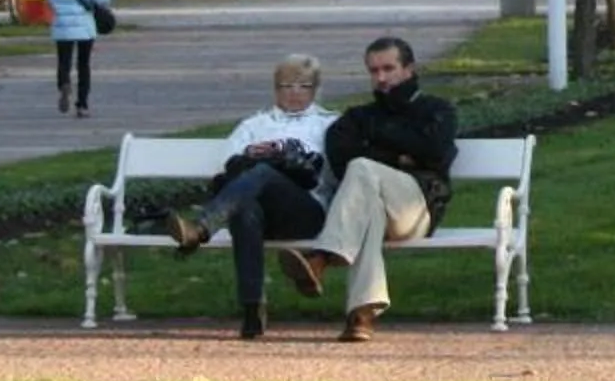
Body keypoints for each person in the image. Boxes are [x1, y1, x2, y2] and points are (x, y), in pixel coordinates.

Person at [288, 35, 457, 342]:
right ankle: (361, 316)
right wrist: (402, 154)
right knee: (368, 205)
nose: (381, 77)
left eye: (388, 68)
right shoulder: (357, 116)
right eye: (374, 71)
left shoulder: (437, 109)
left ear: (409, 69)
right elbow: (340, 157)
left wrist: (374, 144)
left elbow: (434, 151)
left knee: (363, 168)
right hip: (369, 204)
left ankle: (322, 258)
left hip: (416, 209)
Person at [163, 55, 337, 340]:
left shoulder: (327, 124)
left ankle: (201, 228)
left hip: (304, 209)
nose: (294, 92)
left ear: (315, 89)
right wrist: (252, 157)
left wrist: (289, 160)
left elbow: (330, 174)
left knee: (265, 172)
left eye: (303, 85)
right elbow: (225, 168)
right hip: (258, 209)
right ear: (275, 89)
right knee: (245, 209)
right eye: (286, 85)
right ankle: (252, 308)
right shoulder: (253, 125)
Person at [45, 0, 111, 119]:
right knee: (84, 64)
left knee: (63, 61)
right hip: (85, 24)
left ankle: (64, 84)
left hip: (62, 24)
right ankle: (82, 105)